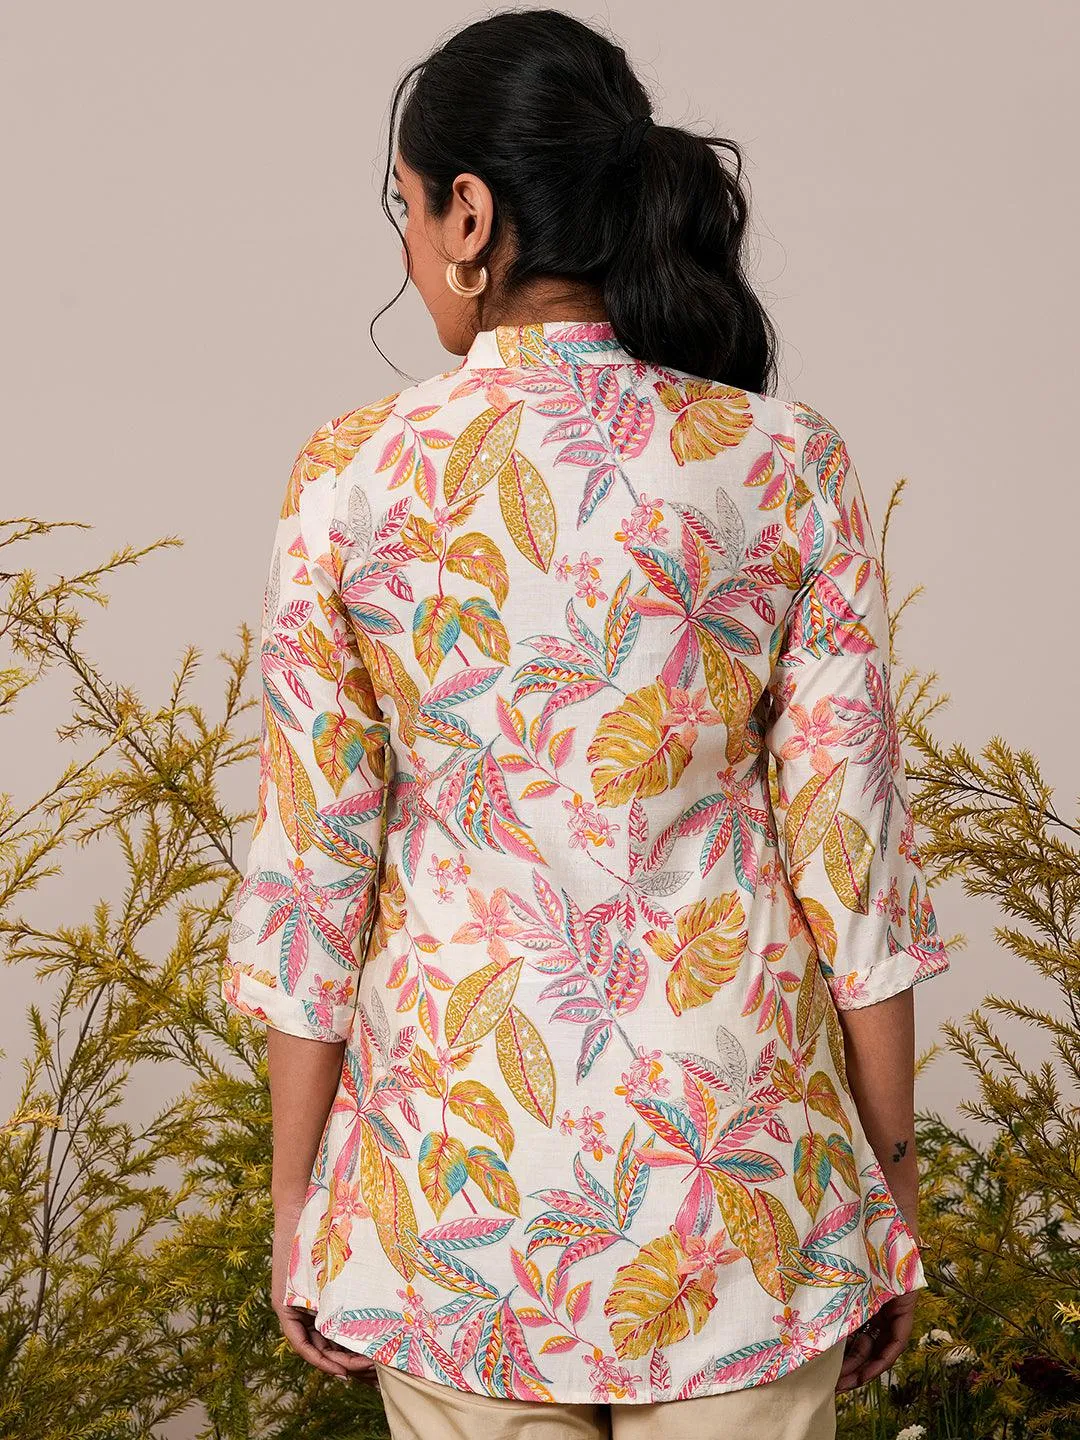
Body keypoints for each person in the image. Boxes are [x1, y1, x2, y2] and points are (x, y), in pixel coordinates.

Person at [220, 9, 951, 1438]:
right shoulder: (783, 461)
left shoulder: (349, 479)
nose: (407, 246)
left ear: (469, 214)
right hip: (741, 1190)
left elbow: (314, 871)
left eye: (405, 207)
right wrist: (888, 1181)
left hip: (454, 1192)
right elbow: (850, 859)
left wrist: (297, 1196)